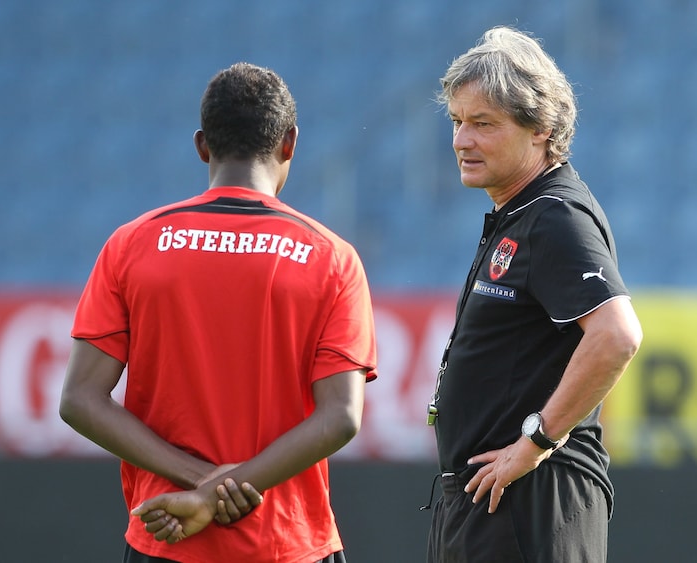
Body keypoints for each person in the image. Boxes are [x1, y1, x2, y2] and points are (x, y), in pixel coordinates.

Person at [60, 62, 378, 563]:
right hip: (287, 543)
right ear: (290, 143)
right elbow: (340, 417)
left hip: (166, 536)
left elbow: (79, 399)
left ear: (202, 145)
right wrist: (223, 487)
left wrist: (198, 484)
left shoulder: (132, 244)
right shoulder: (331, 257)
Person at [425, 27, 643, 562]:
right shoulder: (522, 212)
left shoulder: (555, 216)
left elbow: (617, 336)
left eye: (483, 124)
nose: (460, 140)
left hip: (529, 502)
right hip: (493, 500)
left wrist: (536, 443)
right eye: (457, 121)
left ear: (541, 129)